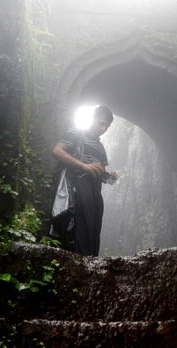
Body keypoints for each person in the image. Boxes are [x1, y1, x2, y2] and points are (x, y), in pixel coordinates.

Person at [50, 105, 117, 256]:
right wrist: (83, 166)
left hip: (95, 188)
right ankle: (82, 260)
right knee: (83, 221)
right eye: (101, 123)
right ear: (93, 119)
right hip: (78, 183)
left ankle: (92, 260)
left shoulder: (100, 147)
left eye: (107, 126)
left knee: (95, 224)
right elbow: (56, 151)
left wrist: (110, 176)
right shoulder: (76, 132)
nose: (104, 128)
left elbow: (101, 174)